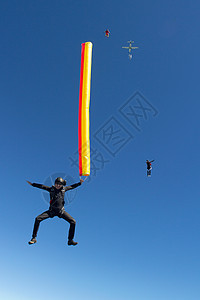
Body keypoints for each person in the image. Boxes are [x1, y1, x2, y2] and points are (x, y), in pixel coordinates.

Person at [27, 177, 83, 246]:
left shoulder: (64, 189)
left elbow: (72, 186)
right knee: (37, 218)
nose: (58, 185)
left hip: (61, 212)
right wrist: (33, 184)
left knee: (73, 222)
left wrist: (79, 183)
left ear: (62, 185)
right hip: (51, 211)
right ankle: (34, 238)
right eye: (56, 184)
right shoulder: (51, 189)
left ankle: (70, 240)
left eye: (59, 184)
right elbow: (42, 186)